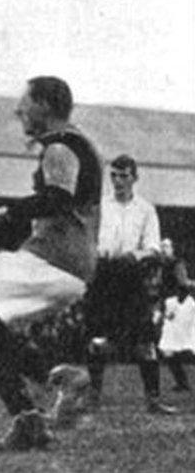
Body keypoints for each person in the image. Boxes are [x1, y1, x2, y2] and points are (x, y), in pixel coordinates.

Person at [0, 76, 102, 451]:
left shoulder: (60, 147)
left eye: (25, 102)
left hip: (55, 257)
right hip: (73, 261)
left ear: (45, 105)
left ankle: (60, 378)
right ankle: (29, 421)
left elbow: (57, 200)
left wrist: (0, 214)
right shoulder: (81, 144)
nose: (18, 110)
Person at [82, 154, 176, 414]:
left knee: (144, 340)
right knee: (97, 337)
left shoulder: (146, 209)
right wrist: (97, 253)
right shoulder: (101, 207)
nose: (118, 181)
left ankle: (153, 400)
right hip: (103, 275)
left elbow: (154, 247)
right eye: (114, 175)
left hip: (132, 275)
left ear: (135, 178)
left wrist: (135, 256)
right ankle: (92, 397)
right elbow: (88, 240)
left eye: (124, 176)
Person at [157, 238, 195, 392]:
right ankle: (182, 382)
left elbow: (183, 283)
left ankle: (182, 382)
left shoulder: (176, 264)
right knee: (169, 348)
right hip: (170, 306)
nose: (163, 249)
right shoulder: (160, 265)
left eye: (166, 246)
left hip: (180, 307)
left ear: (172, 248)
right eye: (162, 246)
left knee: (181, 346)